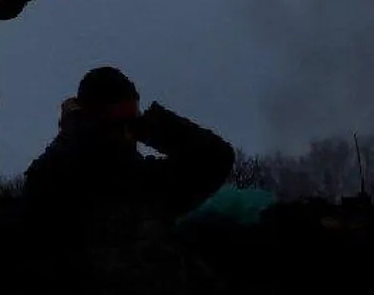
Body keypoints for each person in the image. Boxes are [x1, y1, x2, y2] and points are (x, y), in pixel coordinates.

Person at [22, 66, 235, 292]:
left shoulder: (143, 180)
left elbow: (216, 157)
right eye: (117, 122)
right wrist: (81, 130)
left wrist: (149, 126)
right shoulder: (55, 176)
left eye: (130, 123)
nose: (126, 133)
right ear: (91, 119)